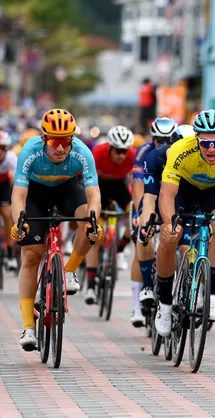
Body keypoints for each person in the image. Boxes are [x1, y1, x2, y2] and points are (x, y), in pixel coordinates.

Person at [154, 110, 215, 337]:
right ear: (196, 138)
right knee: (170, 236)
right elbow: (167, 194)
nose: (211, 149)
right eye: (205, 142)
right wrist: (169, 224)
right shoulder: (180, 149)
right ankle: (165, 304)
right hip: (184, 190)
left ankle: (213, 295)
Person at [12, 109, 102, 350]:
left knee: (89, 222)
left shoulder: (83, 152)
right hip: (35, 194)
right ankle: (28, 327)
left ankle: (70, 270)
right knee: (31, 254)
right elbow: (18, 195)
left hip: (66, 189)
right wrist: (18, 221)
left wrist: (93, 219)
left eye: (66, 142)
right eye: (54, 142)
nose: (61, 149)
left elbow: (94, 194)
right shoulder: (29, 152)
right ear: (44, 139)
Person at [130, 124, 195, 327]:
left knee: (186, 247)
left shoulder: (199, 160)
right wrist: (145, 220)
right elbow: (148, 196)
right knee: (144, 233)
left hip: (184, 201)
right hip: (159, 195)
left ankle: (190, 290)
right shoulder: (154, 157)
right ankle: (148, 286)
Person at [129, 117, 177, 324]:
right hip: (151, 194)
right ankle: (140, 300)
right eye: (159, 139)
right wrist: (141, 214)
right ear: (152, 138)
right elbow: (139, 186)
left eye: (167, 139)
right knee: (142, 237)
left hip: (171, 195)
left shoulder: (179, 153)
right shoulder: (145, 152)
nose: (163, 144)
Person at [84, 125, 135, 305]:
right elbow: (87, 179)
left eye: (124, 151)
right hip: (100, 186)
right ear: (110, 148)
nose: (121, 155)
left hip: (120, 187)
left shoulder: (132, 156)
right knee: (96, 235)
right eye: (118, 151)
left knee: (135, 216)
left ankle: (120, 247)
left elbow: (135, 182)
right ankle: (90, 284)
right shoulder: (98, 153)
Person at [0, 131, 18, 270]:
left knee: (7, 214)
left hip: (4, 184)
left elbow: (18, 180)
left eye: (2, 148)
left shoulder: (11, 158)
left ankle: (11, 255)